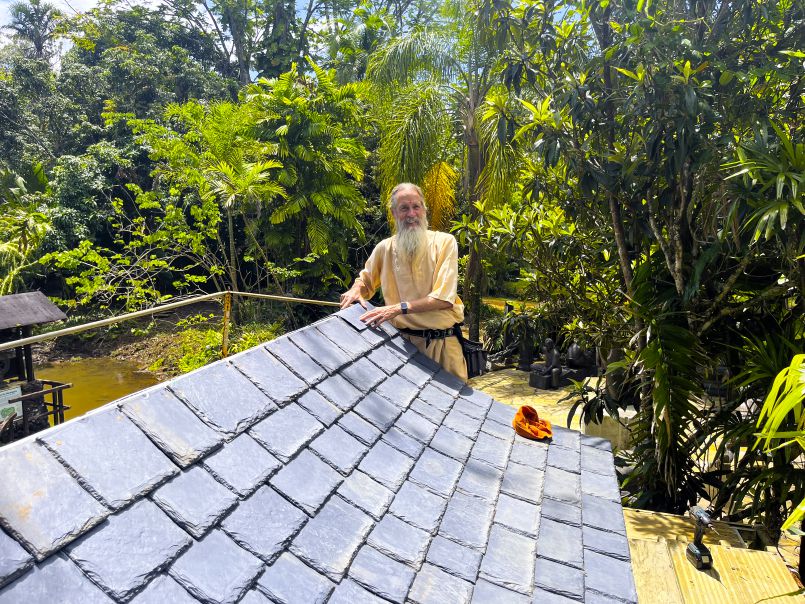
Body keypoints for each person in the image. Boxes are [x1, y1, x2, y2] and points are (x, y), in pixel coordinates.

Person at [340, 183, 468, 380]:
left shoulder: (444, 242)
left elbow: (443, 298)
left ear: (424, 209)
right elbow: (365, 282)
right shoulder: (384, 248)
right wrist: (355, 289)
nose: (411, 214)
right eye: (404, 208)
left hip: (442, 346)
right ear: (393, 213)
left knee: (453, 408)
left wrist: (397, 308)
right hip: (401, 348)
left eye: (416, 207)